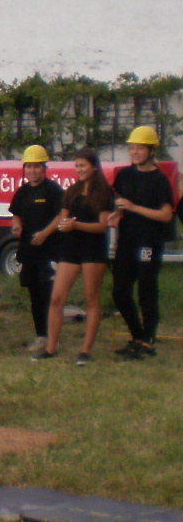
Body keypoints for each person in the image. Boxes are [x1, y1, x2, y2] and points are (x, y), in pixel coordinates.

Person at [40, 148, 114, 365]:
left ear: (94, 167)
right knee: (56, 297)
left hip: (93, 248)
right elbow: (63, 218)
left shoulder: (104, 192)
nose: (79, 169)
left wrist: (76, 225)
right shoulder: (72, 190)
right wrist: (62, 226)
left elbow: (102, 226)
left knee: (91, 298)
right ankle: (51, 348)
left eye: (83, 165)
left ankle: (85, 351)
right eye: (77, 166)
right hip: (71, 247)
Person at [110, 126, 174, 359]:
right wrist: (116, 213)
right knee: (119, 290)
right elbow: (120, 201)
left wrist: (134, 207)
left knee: (146, 290)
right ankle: (138, 336)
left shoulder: (159, 179)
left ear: (151, 151)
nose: (135, 152)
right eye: (132, 148)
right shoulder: (124, 175)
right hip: (127, 238)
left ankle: (148, 340)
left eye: (140, 148)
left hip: (149, 240)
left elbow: (166, 215)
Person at [9, 145, 65, 354]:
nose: (32, 171)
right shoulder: (23, 192)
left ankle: (53, 338)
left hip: (50, 250)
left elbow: (61, 215)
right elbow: (16, 214)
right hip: (29, 252)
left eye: (36, 166)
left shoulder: (53, 190)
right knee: (35, 295)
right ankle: (41, 335)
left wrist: (45, 233)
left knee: (49, 293)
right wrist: (17, 225)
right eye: (29, 167)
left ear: (44, 167)